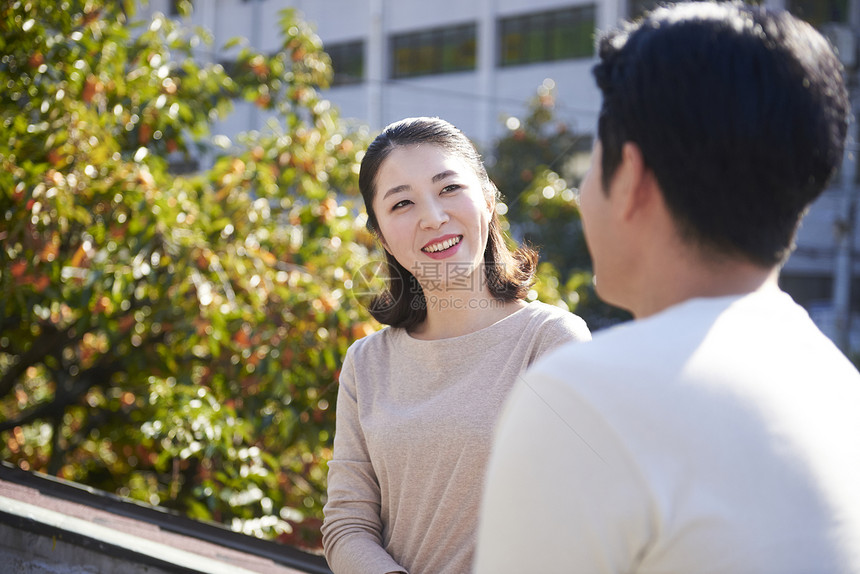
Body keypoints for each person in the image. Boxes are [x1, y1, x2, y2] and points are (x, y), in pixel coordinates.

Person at [474, 2, 860, 573]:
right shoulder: (837, 384)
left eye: (591, 160)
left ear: (630, 177)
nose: (581, 196)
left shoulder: (581, 397)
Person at [320, 117, 590, 574]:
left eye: (448, 188)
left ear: (487, 201)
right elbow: (347, 524)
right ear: (382, 235)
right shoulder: (366, 363)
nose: (432, 217)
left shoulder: (551, 342)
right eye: (402, 202)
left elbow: (580, 522)